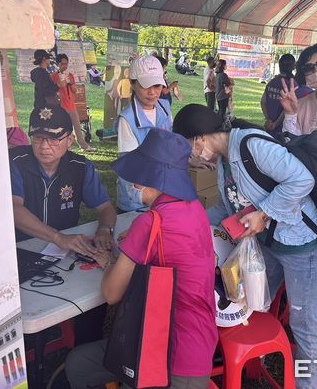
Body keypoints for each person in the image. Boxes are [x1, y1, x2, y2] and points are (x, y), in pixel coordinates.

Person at [173, 104, 317, 389]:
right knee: (252, 304)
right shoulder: (223, 160)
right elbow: (227, 205)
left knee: (305, 324)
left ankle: (310, 385)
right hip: (268, 245)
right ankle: (252, 364)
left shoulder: (251, 144)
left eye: (188, 150)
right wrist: (187, 226)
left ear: (199, 139)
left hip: (302, 245)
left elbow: (302, 180)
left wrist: (265, 212)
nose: (191, 159)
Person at [65, 129, 218, 389]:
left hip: (170, 357)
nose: (135, 184)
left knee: (78, 365)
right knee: (80, 362)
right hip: (201, 342)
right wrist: (137, 240)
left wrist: (107, 261)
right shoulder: (194, 209)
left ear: (147, 179)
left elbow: (112, 293)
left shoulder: (148, 224)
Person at [10, 105, 116, 250]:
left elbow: (105, 207)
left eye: (54, 139)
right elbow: (14, 209)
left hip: (65, 249)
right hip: (20, 246)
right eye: (38, 137)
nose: (44, 146)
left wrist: (104, 229)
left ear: (69, 141)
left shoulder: (80, 167)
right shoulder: (16, 161)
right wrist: (57, 237)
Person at [116, 55, 172, 213]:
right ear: (132, 84)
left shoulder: (165, 107)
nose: (153, 92)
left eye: (157, 86)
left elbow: (171, 143)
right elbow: (132, 167)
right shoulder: (127, 120)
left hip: (162, 192)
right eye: (146, 86)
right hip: (137, 201)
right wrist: (155, 197)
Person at [51, 54, 95, 152]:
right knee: (63, 128)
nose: (65, 66)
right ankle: (65, 147)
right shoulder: (53, 76)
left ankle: (84, 146)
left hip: (71, 104)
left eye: (66, 64)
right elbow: (52, 91)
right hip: (61, 106)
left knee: (77, 127)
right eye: (62, 64)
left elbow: (75, 90)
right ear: (58, 64)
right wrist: (60, 84)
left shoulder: (70, 75)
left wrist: (70, 83)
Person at [261, 53, 312, 136]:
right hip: (282, 128)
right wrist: (275, 124)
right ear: (293, 67)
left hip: (269, 126)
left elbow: (263, 102)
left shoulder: (271, 82)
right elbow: (288, 108)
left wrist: (268, 119)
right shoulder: (293, 85)